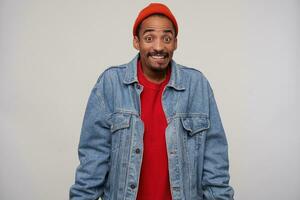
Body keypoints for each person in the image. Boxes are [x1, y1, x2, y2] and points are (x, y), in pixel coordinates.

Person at [69, 3, 234, 200]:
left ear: (175, 43)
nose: (158, 47)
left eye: (167, 38)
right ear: (136, 42)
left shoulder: (197, 85)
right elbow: (92, 163)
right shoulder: (111, 84)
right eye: (149, 38)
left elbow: (215, 163)